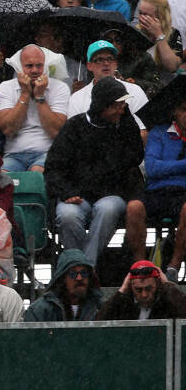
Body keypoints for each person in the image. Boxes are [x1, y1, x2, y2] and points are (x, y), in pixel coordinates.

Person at [45, 76, 145, 268]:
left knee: (107, 210)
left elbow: (135, 157)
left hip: (110, 194)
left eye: (123, 104)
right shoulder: (75, 126)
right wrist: (66, 193)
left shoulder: (122, 125)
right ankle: (82, 268)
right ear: (102, 105)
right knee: (67, 216)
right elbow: (54, 166)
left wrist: (125, 123)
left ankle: (82, 269)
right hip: (75, 195)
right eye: (116, 105)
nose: (121, 108)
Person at [0, 44, 70, 173]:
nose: (35, 70)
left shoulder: (60, 88)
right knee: (3, 178)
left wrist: (40, 96)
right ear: (20, 67)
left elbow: (56, 132)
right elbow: (8, 130)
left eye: (39, 65)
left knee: (36, 174)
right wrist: (25, 94)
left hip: (47, 153)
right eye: (29, 66)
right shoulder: (6, 87)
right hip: (13, 155)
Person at [23, 249, 103, 322]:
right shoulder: (39, 311)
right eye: (73, 274)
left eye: (84, 273)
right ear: (63, 278)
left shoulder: (99, 309)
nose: (79, 278)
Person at [98, 260, 186, 320]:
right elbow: (97, 322)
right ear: (131, 286)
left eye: (149, 288)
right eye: (138, 290)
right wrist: (122, 290)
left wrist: (167, 284)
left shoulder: (168, 303)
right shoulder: (123, 305)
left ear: (158, 284)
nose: (144, 295)